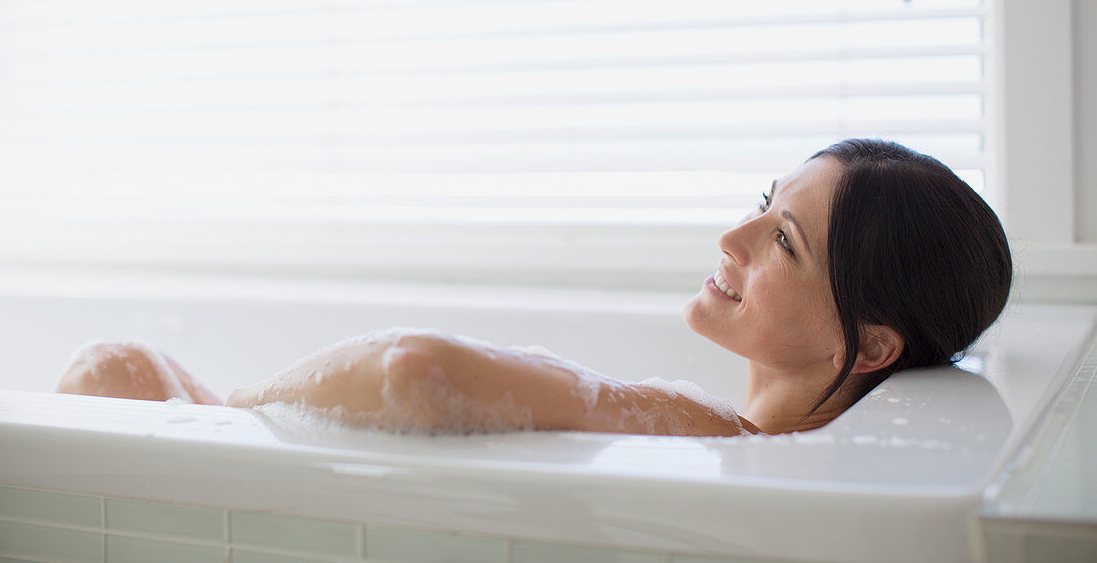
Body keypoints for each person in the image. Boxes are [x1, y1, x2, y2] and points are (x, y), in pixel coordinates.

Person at [56, 139, 1013, 436]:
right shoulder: (744, 437)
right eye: (762, 205)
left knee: (115, 370)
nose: (732, 236)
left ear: (875, 345)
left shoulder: (711, 435)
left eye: (784, 242)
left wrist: (232, 414)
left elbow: (412, 368)